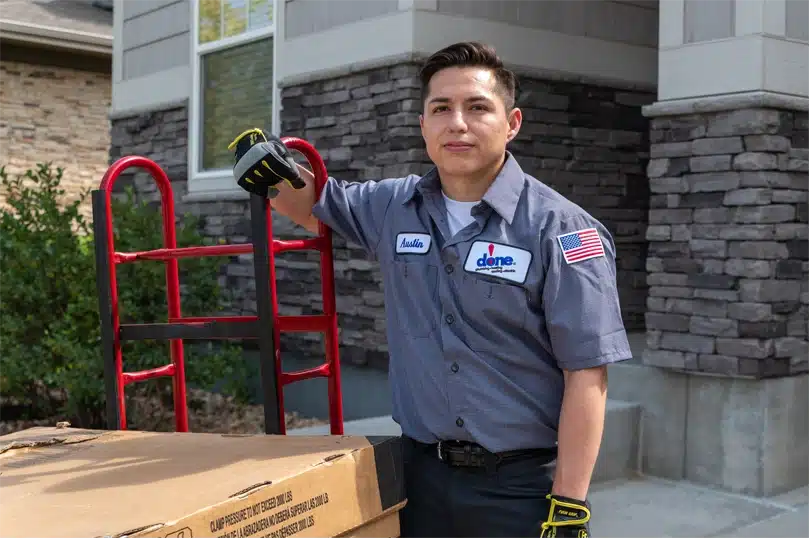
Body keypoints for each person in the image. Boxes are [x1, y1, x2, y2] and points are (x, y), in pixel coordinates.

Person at [228, 41, 633, 539]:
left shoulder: (564, 231)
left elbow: (587, 376)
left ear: (513, 123)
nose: (457, 123)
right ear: (423, 126)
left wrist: (569, 505)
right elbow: (314, 204)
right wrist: (268, 169)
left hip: (521, 490)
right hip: (419, 480)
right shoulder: (394, 206)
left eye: (478, 107)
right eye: (441, 108)